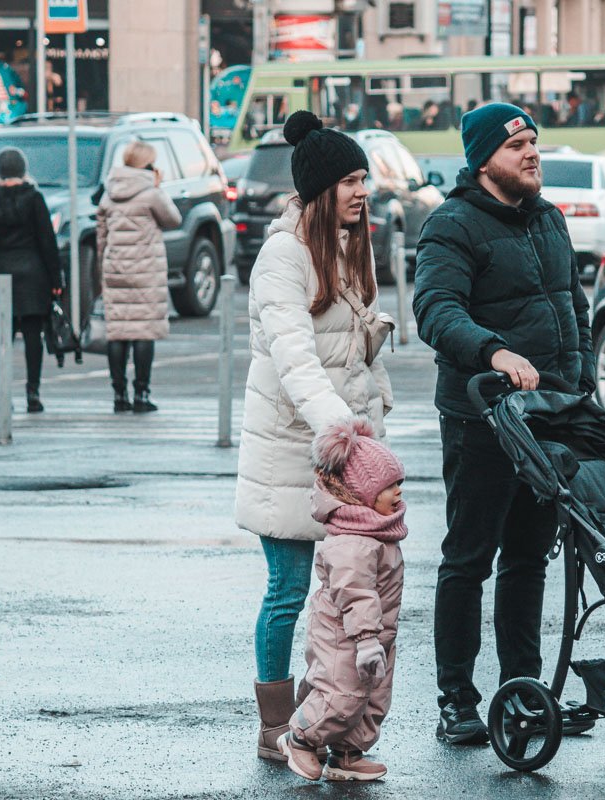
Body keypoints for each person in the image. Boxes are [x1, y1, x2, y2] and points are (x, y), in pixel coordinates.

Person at [412, 102, 595, 745]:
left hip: (549, 418)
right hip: (482, 419)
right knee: (468, 560)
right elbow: (435, 309)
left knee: (528, 560)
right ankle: (456, 700)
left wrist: (584, 384)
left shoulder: (548, 218)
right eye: (517, 145)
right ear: (484, 159)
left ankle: (524, 693)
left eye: (534, 142)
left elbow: (573, 305)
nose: (532, 153)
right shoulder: (451, 226)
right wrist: (494, 352)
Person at [238, 110, 395, 766]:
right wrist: (343, 427)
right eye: (352, 180)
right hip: (291, 450)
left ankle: (322, 718)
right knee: (289, 587)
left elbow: (360, 356)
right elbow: (296, 356)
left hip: (346, 459)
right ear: (321, 187)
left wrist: (377, 420)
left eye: (365, 179)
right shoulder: (283, 255)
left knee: (346, 598)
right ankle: (275, 725)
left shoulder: (348, 249)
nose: (363, 191)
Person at [278, 418, 406, 783]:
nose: (398, 492)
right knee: (342, 694)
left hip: (374, 633)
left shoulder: (378, 532)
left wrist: (376, 638)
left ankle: (346, 754)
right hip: (344, 635)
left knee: (373, 697)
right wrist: (366, 640)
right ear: (361, 492)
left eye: (399, 483)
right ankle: (300, 737)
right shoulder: (353, 541)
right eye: (388, 487)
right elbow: (355, 592)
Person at [0, 147, 63, 413]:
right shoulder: (34, 198)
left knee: (4, 336)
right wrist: (55, 277)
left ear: (0, 171)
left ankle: (4, 393)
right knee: (33, 335)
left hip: (4, 269)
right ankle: (33, 392)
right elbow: (48, 241)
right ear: (23, 169)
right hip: (34, 271)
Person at [96, 140, 182, 413]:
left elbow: (101, 238)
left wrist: (103, 268)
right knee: (143, 332)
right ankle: (142, 394)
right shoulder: (151, 193)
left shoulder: (108, 193)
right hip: (146, 271)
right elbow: (174, 219)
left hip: (115, 270)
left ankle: (118, 395)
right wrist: (157, 186)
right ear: (146, 164)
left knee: (118, 332)